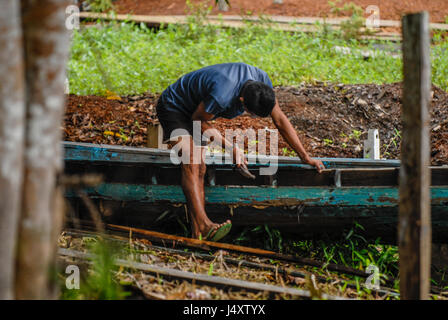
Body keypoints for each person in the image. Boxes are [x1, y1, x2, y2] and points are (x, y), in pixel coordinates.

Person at [156, 62, 325, 241]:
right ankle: (204, 225)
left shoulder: (262, 83)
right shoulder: (222, 94)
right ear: (242, 101)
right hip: (175, 107)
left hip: (199, 110)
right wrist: (231, 148)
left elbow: (280, 120)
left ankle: (198, 232)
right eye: (251, 113)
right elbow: (197, 121)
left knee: (201, 168)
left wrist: (305, 157)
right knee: (191, 161)